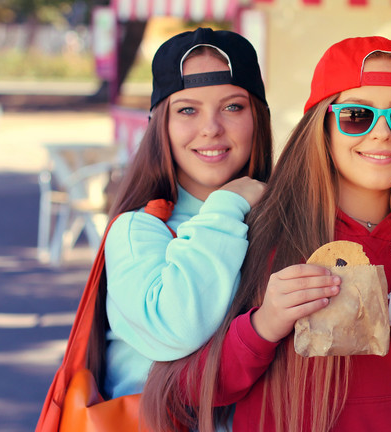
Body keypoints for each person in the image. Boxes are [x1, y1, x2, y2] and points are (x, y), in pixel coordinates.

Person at [143, 36, 391, 432]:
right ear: (321, 126)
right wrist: (264, 325)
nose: (382, 133)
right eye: (357, 115)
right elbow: (187, 390)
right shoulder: (259, 236)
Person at [89, 27, 272, 399]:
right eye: (187, 110)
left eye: (233, 106)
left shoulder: (287, 222)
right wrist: (227, 203)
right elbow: (174, 329)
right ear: (162, 126)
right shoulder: (137, 230)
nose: (211, 128)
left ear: (258, 119)